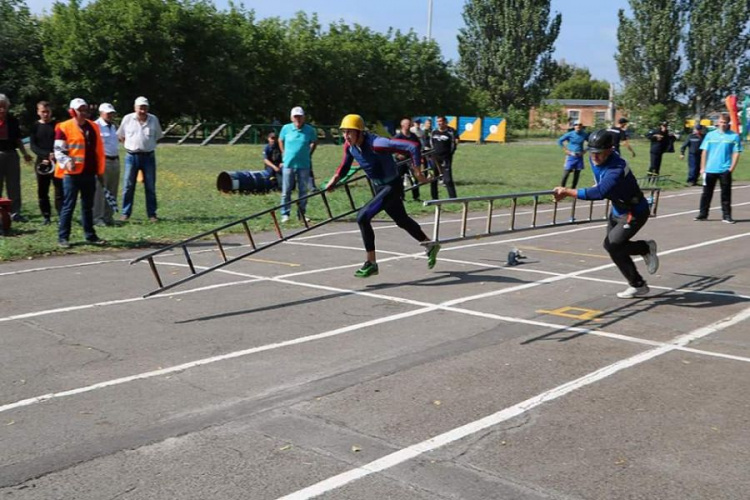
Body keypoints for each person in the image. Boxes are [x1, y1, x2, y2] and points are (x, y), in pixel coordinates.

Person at [325, 114, 440, 278]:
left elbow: (413, 146)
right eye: (344, 132)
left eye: (349, 132)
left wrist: (418, 173)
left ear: (359, 132)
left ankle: (371, 263)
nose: (346, 136)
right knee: (402, 220)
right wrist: (334, 180)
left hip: (392, 186)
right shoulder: (349, 146)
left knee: (362, 217)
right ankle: (430, 245)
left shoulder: (377, 144)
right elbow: (345, 166)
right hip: (379, 187)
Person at [552, 129, 659, 299]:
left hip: (634, 211)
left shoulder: (616, 168)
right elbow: (598, 183)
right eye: (592, 152)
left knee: (614, 244)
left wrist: (566, 191)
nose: (594, 157)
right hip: (617, 208)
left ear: (610, 150)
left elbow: (599, 193)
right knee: (612, 247)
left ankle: (645, 248)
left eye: (599, 153)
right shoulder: (594, 157)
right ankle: (638, 285)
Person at [54, 98, 106, 248]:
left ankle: (90, 235)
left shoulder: (93, 127)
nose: (83, 112)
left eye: (85, 109)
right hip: (71, 174)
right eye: (80, 110)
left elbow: (98, 150)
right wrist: (66, 162)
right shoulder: (63, 127)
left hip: (89, 172)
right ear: (72, 111)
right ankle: (63, 237)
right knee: (68, 206)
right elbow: (58, 150)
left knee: (87, 206)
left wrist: (100, 171)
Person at [117, 96, 163, 222]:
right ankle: (125, 213)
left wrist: (147, 145)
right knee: (128, 186)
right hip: (131, 156)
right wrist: (130, 145)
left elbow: (158, 136)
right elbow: (121, 136)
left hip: (148, 157)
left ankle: (152, 214)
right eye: (140, 108)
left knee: (150, 187)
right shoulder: (127, 119)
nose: (142, 110)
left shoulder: (153, 119)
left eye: (145, 108)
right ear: (135, 108)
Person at [695, 113, 743, 224]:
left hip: (724, 170)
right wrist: (702, 168)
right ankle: (703, 214)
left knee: (726, 194)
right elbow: (704, 152)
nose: (723, 124)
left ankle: (726, 215)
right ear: (718, 122)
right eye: (721, 122)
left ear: (728, 123)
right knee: (706, 193)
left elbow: (736, 153)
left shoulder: (734, 136)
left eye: (725, 123)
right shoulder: (710, 135)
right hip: (710, 169)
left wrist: (731, 168)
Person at [278, 106, 317, 222]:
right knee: (286, 190)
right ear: (291, 118)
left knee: (303, 191)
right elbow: (280, 140)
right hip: (289, 163)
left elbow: (314, 142)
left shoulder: (309, 130)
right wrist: (283, 152)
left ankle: (301, 214)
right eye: (295, 116)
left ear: (304, 117)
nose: (298, 119)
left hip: (304, 164)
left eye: (300, 116)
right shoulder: (286, 128)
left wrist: (309, 153)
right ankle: (285, 214)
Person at [0, 93, 33, 222]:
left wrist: (25, 154)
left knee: (14, 185)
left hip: (11, 154)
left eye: (4, 107)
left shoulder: (12, 120)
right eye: (0, 107)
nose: (2, 109)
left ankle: (15, 213)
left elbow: (18, 139)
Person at [29, 101, 62, 224]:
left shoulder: (57, 125)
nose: (46, 114)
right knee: (42, 190)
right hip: (41, 162)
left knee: (59, 190)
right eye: (43, 111)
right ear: (38, 112)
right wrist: (45, 155)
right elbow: (33, 146)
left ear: (51, 112)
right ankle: (46, 216)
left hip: (57, 161)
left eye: (48, 111)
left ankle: (61, 215)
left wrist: (54, 154)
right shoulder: (35, 127)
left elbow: (61, 142)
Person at [93, 103, 120, 226]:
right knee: (100, 191)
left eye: (112, 113)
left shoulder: (113, 126)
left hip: (115, 160)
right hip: (103, 161)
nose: (110, 115)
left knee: (112, 189)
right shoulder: (96, 126)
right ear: (101, 113)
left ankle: (108, 216)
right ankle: (97, 217)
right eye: (107, 113)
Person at [393, 117, 422, 202]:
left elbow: (418, 146)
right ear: (402, 125)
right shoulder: (398, 136)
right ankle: (401, 197)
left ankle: (416, 197)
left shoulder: (413, 136)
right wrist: (397, 154)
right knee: (400, 179)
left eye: (410, 124)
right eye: (407, 124)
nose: (409, 125)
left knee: (415, 177)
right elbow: (391, 147)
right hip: (401, 162)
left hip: (411, 161)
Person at [430, 116, 458, 199]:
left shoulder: (451, 131)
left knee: (448, 179)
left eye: (441, 121)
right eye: (438, 121)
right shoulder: (434, 132)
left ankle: (453, 198)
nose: (439, 123)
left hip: (446, 158)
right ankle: (434, 198)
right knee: (434, 179)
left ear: (445, 122)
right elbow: (431, 143)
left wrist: (450, 153)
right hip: (435, 158)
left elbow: (454, 143)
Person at [556, 121, 589, 188]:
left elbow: (591, 143)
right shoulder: (570, 134)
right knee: (566, 173)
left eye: (580, 125)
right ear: (574, 126)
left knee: (577, 174)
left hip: (579, 156)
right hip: (571, 155)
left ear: (582, 126)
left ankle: (573, 190)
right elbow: (559, 141)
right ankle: (562, 189)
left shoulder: (584, 134)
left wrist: (585, 151)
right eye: (576, 125)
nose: (578, 126)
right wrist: (565, 150)